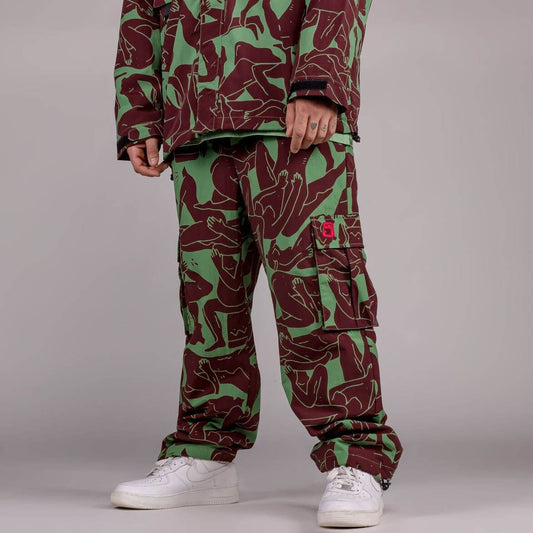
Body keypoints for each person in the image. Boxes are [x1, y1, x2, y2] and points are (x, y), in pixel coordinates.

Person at [109, 0, 403, 527]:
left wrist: (321, 83)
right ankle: (204, 451)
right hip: (195, 120)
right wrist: (139, 111)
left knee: (317, 289)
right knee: (208, 298)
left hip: (290, 116)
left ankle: (356, 456)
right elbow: (142, 10)